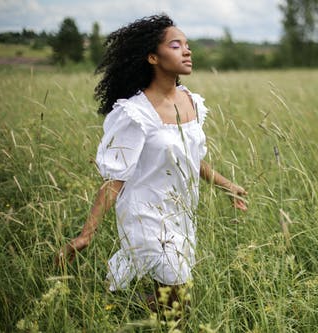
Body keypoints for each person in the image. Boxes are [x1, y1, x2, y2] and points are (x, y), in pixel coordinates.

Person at [56, 14, 247, 314]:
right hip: (146, 214)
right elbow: (115, 180)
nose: (187, 51)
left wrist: (228, 186)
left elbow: (191, 159)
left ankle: (125, 312)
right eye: (176, 45)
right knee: (177, 302)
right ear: (152, 57)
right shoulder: (135, 113)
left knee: (171, 297)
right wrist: (86, 233)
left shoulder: (191, 101)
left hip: (181, 214)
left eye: (187, 45)